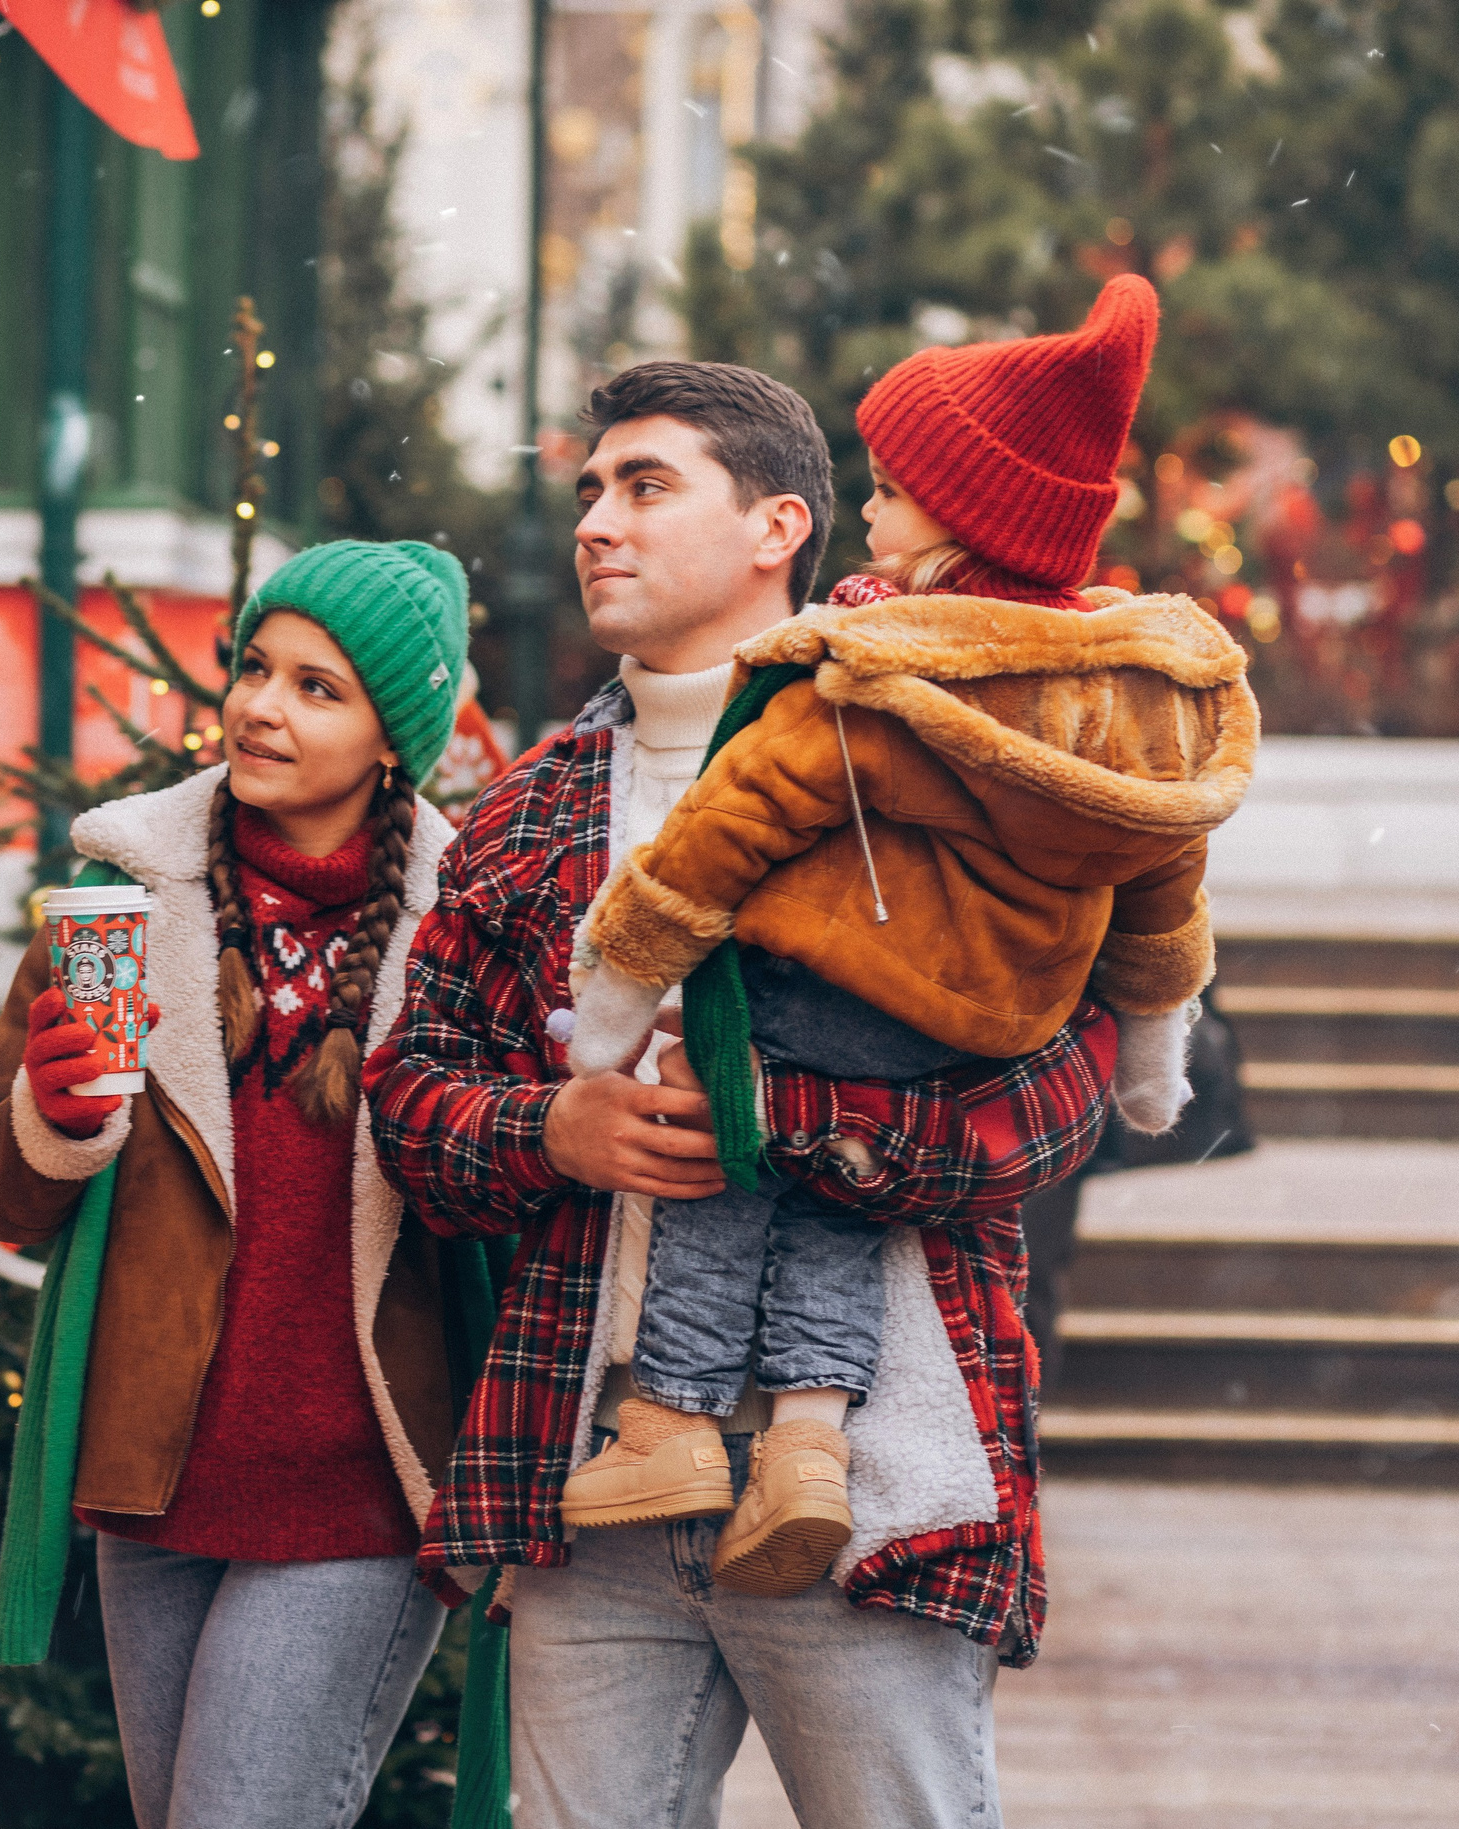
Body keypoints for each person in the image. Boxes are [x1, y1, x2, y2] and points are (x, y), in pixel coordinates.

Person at [365, 362, 1117, 1829]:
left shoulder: (937, 747)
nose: (597, 521)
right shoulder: (532, 806)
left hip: (870, 1472)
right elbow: (411, 1095)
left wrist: (819, 1129)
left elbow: (1072, 1080)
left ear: (780, 526)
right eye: (589, 489)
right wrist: (554, 1131)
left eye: (646, 485)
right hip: (597, 1465)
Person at [556, 275, 1258, 1596]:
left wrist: (623, 980)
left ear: (962, 515)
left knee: (733, 1147)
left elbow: (731, 823)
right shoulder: (1141, 698)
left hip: (816, 986)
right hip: (969, 1030)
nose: (868, 509)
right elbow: (1167, 906)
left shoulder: (873, 673)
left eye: (889, 487)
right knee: (833, 1199)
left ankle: (672, 1418)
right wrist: (1156, 1054)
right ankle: (809, 1443)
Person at [0, 540, 471, 1829]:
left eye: (318, 688)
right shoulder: (125, 896)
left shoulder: (466, 925)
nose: (261, 706)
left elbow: (501, 1192)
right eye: (254, 667)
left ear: (395, 737)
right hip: (154, 1481)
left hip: (362, 1489)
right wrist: (55, 1114)